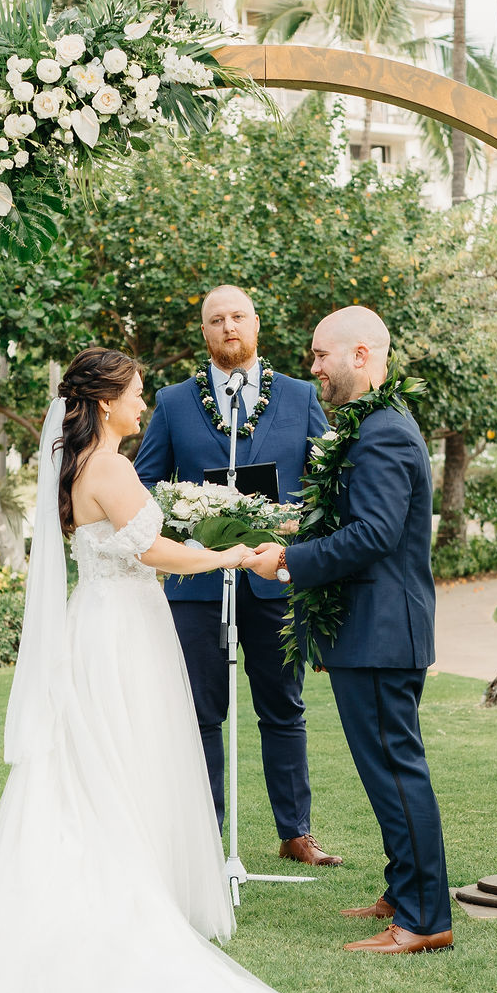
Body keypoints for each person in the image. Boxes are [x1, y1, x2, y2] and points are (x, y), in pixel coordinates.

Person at [0, 348, 326, 993]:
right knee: (128, 760)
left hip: (96, 623)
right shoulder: (110, 466)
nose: (144, 406)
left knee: (93, 765)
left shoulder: (73, 466)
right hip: (125, 629)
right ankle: (120, 904)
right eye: (135, 395)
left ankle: (86, 894)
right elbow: (155, 549)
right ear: (105, 402)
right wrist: (232, 555)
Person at [247, 308, 453, 955]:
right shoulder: (374, 425)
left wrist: (288, 561)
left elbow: (374, 535)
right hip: (372, 630)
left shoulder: (384, 432)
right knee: (383, 771)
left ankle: (424, 918)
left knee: (396, 771)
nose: (312, 369)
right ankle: (402, 889)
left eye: (318, 356)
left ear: (360, 355)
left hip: (383, 630)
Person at [134, 285, 341, 867]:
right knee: (200, 710)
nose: (229, 327)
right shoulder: (174, 403)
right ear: (204, 332)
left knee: (284, 706)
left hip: (273, 577)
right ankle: (206, 832)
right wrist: (187, 512)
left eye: (238, 317)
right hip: (197, 585)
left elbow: (326, 483)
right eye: (216, 320)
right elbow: (145, 485)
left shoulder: (300, 397)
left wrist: (294, 532)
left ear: (256, 324)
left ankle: (295, 830)